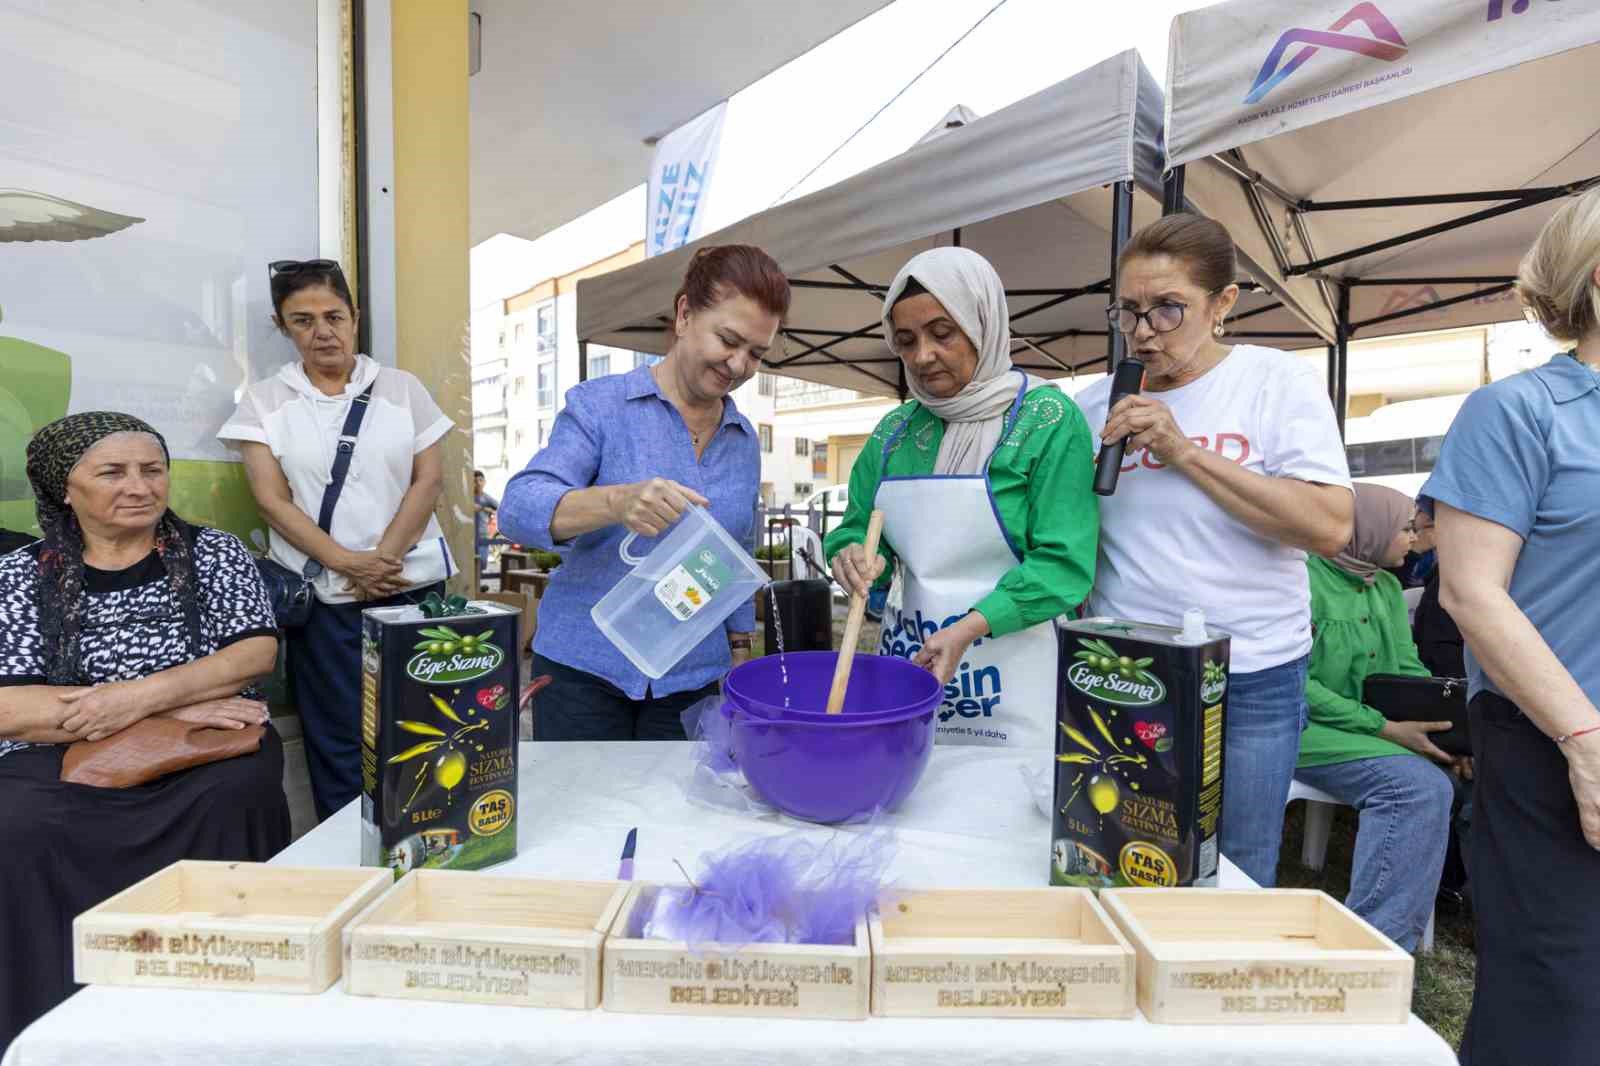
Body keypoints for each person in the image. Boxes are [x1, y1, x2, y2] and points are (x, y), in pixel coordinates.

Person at [1074, 214, 1354, 886]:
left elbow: (1328, 526)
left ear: (1223, 303)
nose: (1144, 331)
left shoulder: (1273, 380)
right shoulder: (1094, 405)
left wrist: (1182, 451)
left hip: (1251, 671)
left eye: (1169, 308)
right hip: (1125, 666)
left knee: (1236, 865)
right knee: (1118, 848)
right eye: (1130, 311)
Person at [0, 413, 288, 1049]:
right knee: (17, 825)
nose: (140, 486)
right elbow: (11, 708)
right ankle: (48, 1029)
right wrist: (168, 706)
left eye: (152, 470)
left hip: (204, 750)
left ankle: (230, 1018)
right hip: (58, 756)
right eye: (113, 472)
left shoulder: (212, 553)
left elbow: (251, 657)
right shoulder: (18, 574)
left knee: (235, 794)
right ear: (63, 489)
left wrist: (137, 701)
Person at [1422, 186, 1600, 1066]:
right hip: (1551, 745)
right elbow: (1470, 593)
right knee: (1556, 1011)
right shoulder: (1520, 413)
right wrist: (1585, 739)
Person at [498, 245, 785, 740]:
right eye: (729, 340)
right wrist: (615, 501)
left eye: (756, 353)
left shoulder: (743, 439)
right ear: (684, 314)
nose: (739, 365)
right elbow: (518, 508)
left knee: (678, 815)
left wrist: (739, 656)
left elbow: (735, 556)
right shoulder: (600, 406)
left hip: (693, 679)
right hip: (584, 670)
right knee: (583, 816)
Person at [824, 247, 1099, 749]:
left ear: (983, 322)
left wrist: (968, 629)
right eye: (905, 341)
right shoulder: (894, 433)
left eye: (942, 332)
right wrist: (851, 554)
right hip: (912, 666)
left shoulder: (1048, 421)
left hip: (1016, 677)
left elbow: (1064, 563)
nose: (923, 355)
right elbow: (857, 527)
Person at [219, 259, 453, 820]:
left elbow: (429, 479)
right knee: (341, 741)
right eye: (302, 320)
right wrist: (348, 563)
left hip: (411, 586)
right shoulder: (266, 402)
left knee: (430, 727)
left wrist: (383, 560)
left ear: (355, 317)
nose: (322, 332)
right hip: (325, 602)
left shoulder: (401, 389)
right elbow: (272, 500)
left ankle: (430, 845)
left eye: (333, 316)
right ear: (282, 326)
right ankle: (351, 861)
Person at [1295, 483, 1455, 951]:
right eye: (1404, 528)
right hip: (1301, 728)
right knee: (1417, 789)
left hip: (1366, 729)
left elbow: (1406, 671)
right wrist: (1384, 728)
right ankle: (1373, 951)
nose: (1413, 538)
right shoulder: (1301, 577)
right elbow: (1296, 685)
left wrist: (1447, 731)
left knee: (1468, 766)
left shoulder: (1383, 585)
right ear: (1367, 529)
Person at [473, 469, 499, 580]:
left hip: (482, 534)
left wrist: (485, 509)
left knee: (482, 562)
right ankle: (476, 587)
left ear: (484, 482)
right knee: (470, 564)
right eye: (475, 481)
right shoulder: (466, 495)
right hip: (468, 536)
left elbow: (500, 508)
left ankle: (479, 585)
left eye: (480, 480)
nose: (478, 483)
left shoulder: (486, 498)